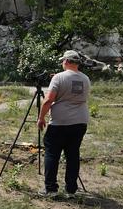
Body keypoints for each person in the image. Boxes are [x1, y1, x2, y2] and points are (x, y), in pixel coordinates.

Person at [37, 50, 91, 197]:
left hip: (60, 122)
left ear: (66, 61)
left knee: (52, 154)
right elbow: (74, 91)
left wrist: (41, 117)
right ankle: (71, 189)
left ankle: (51, 189)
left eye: (63, 61)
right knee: (73, 154)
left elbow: (48, 100)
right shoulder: (85, 78)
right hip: (80, 121)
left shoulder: (59, 78)